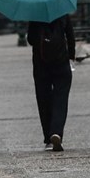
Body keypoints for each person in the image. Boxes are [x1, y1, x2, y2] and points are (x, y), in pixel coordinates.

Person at [27, 14, 76, 152]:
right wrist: (71, 56)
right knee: (61, 98)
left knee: (43, 99)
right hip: (61, 62)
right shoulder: (62, 13)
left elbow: (30, 39)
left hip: (40, 63)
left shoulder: (35, 14)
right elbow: (71, 37)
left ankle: (48, 138)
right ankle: (57, 132)